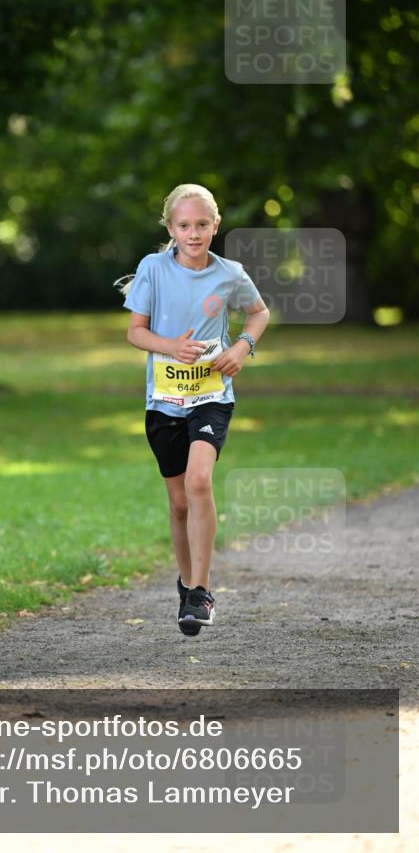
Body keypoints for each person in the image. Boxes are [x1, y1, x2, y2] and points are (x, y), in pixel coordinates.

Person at [115, 183, 270, 636]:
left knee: (200, 480)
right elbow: (134, 333)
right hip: (163, 402)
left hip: (211, 396)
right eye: (184, 225)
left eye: (202, 224)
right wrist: (171, 348)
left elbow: (258, 314)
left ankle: (201, 591)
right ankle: (186, 585)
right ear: (171, 228)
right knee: (179, 501)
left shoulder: (229, 273)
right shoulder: (154, 269)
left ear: (215, 225)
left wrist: (242, 347)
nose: (194, 232)